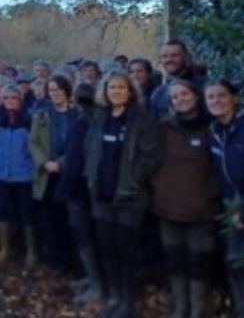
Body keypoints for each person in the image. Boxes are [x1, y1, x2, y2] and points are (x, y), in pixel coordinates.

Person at [83, 71, 159, 318]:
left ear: (130, 91)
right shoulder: (100, 117)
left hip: (130, 197)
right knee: (107, 248)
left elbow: (150, 156)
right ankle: (114, 297)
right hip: (102, 196)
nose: (116, 91)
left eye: (121, 87)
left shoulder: (141, 119)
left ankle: (128, 302)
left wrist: (134, 180)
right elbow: (90, 149)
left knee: (128, 250)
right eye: (111, 87)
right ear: (105, 92)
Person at [150, 80, 220, 318]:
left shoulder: (212, 127)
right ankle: (180, 308)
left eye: (185, 93)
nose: (180, 99)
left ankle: (198, 310)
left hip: (203, 210)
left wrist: (212, 194)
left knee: (200, 264)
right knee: (175, 260)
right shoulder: (163, 128)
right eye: (175, 96)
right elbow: (149, 162)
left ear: (195, 95)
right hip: (168, 208)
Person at [57, 81, 104, 305]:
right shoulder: (99, 120)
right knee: (91, 237)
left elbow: (75, 160)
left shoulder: (81, 123)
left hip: (80, 190)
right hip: (94, 188)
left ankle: (97, 284)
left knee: (85, 238)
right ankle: (92, 278)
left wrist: (63, 190)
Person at [29, 74, 79, 273]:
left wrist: (62, 162)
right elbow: (33, 142)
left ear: (66, 90)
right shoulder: (41, 114)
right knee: (50, 220)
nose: (55, 93)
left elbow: (79, 144)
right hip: (48, 175)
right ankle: (56, 260)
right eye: (51, 90)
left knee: (73, 220)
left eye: (58, 89)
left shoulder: (77, 114)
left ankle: (75, 262)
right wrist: (45, 163)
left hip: (71, 174)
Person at [207, 80, 244, 316]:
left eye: (221, 95)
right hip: (228, 208)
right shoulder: (213, 131)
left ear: (234, 98)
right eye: (210, 97)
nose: (216, 101)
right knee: (233, 263)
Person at [0, 84, 36, 267]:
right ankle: (5, 250)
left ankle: (31, 252)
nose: (10, 101)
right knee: (3, 212)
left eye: (13, 98)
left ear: (20, 100)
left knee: (27, 214)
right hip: (2, 174)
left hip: (25, 174)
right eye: (6, 98)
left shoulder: (29, 119)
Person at [151, 40, 206, 116]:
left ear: (186, 57)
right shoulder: (158, 94)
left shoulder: (205, 86)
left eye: (174, 55)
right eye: (165, 56)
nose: (169, 59)